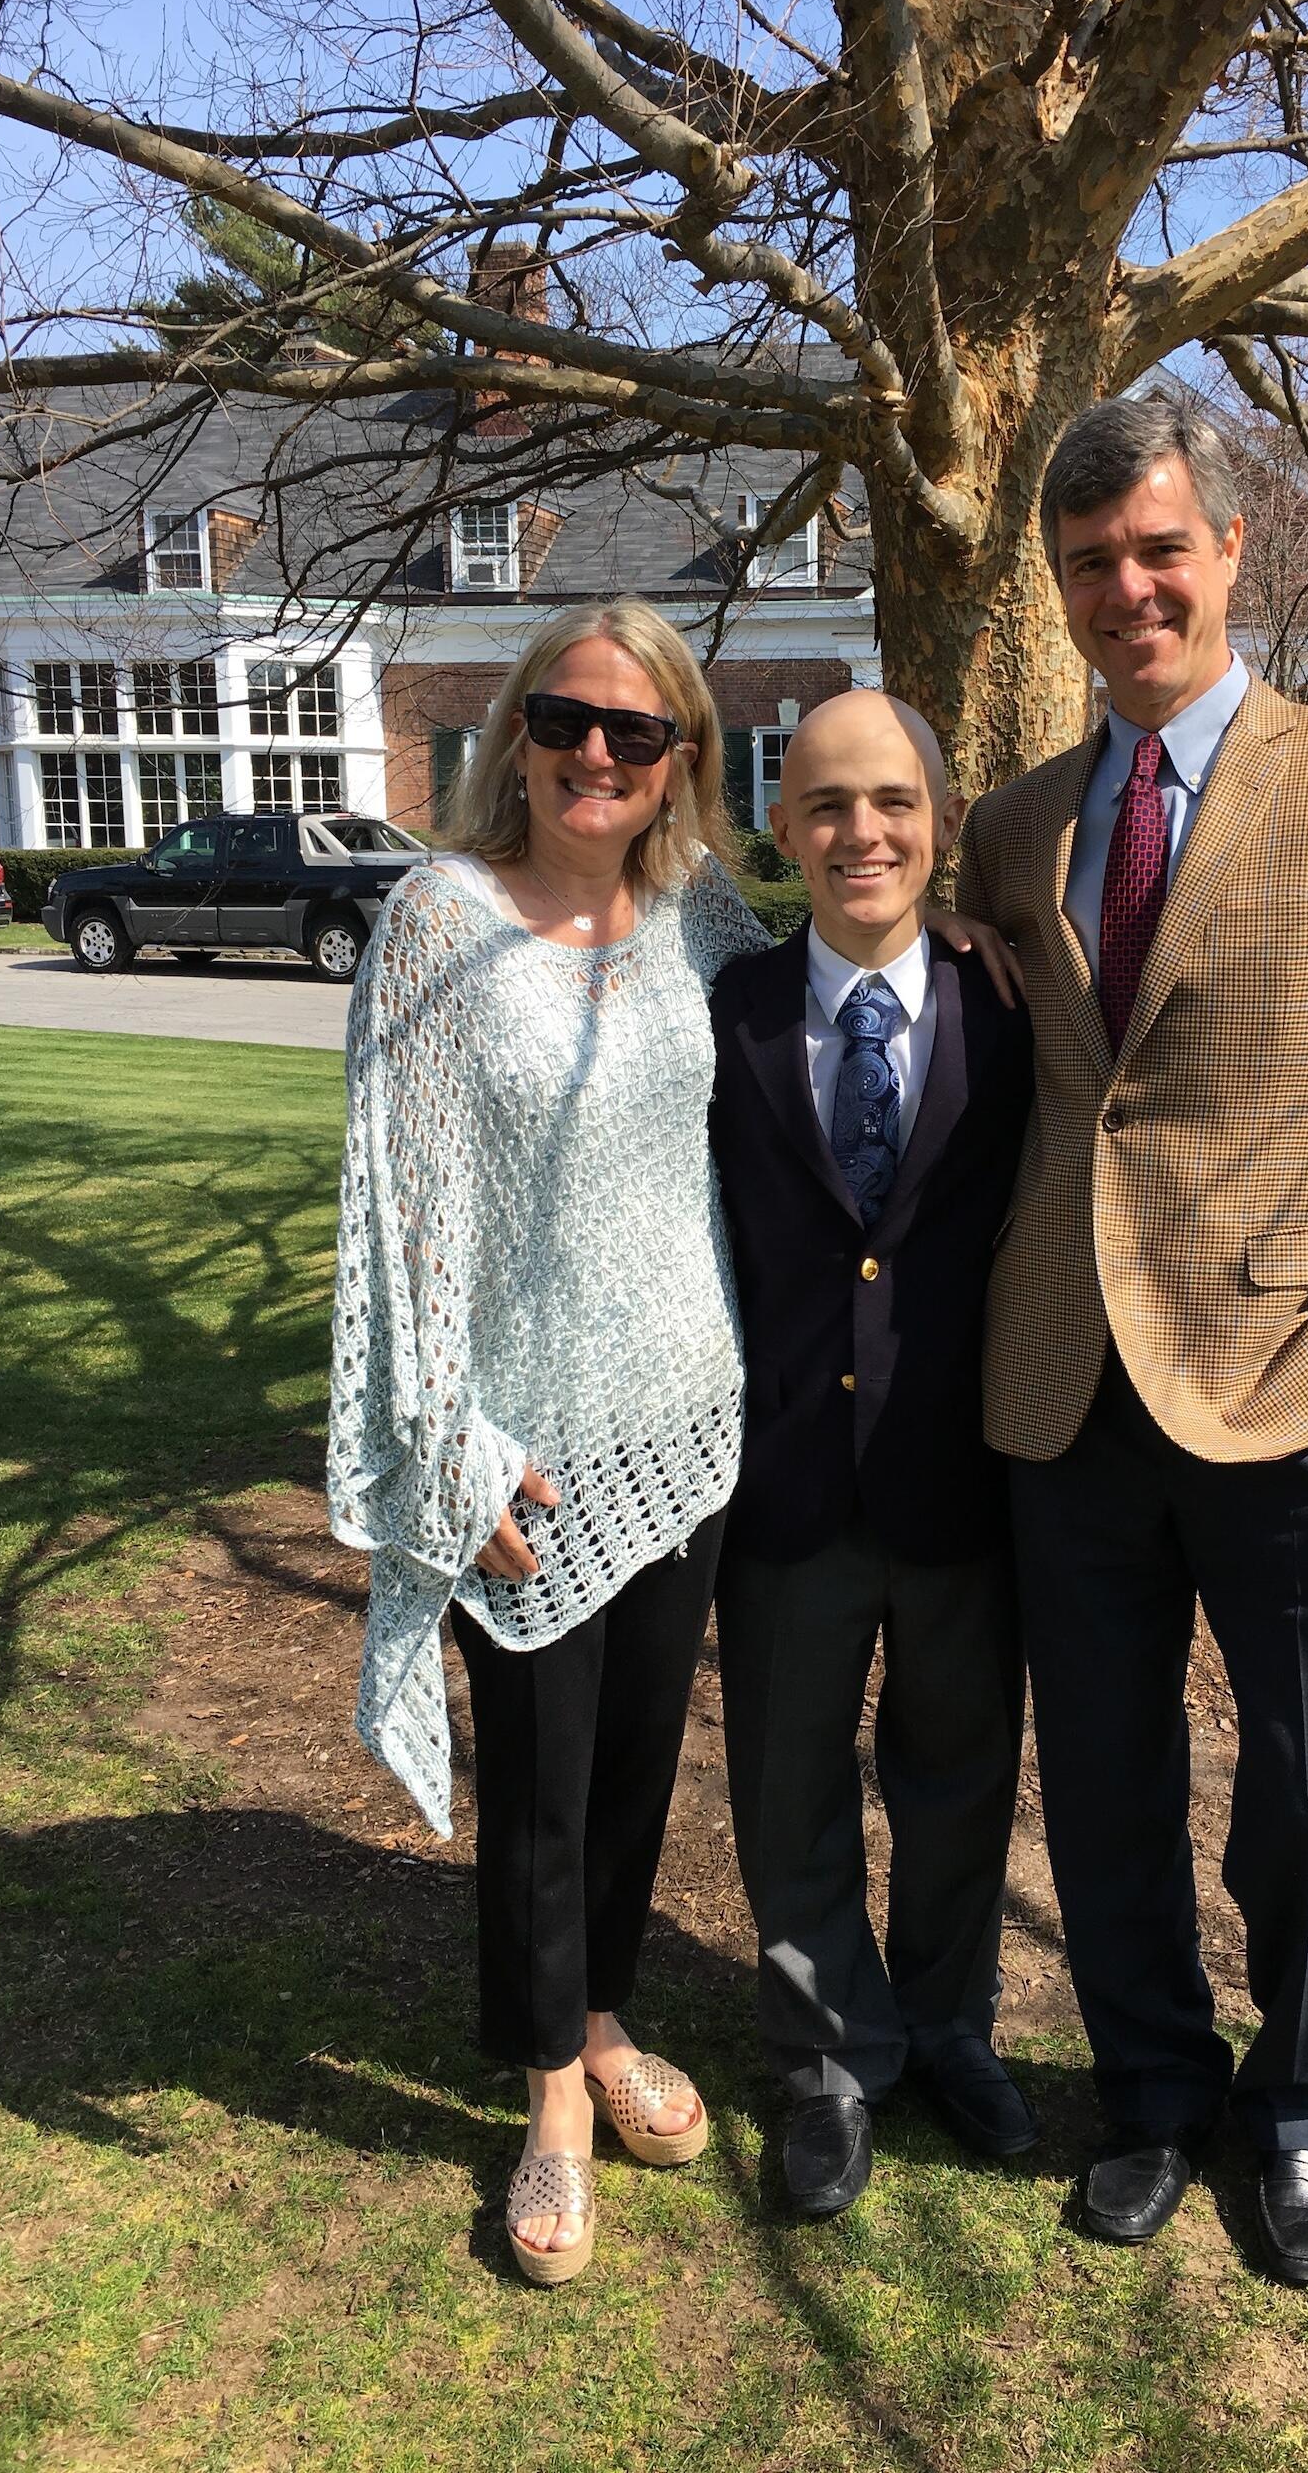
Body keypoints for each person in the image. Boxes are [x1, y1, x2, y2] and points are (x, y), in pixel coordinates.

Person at [956, 392, 1308, 2283]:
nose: (1130, 591)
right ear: (1059, 584)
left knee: (1306, 1793)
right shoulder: (1018, 824)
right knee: (1102, 1773)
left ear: (1228, 552)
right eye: (1093, 564)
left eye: (1159, 550)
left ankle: (1299, 2114)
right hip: (1067, 1382)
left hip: (1300, 1386)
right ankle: (1158, 2092)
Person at [328, 600, 764, 2284]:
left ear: (679, 765)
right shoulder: (439, 921)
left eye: (639, 732)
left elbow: (816, 1017)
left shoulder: (700, 915)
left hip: (688, 1417)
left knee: (642, 1755)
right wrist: (447, 1443)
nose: (599, 752)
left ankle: (600, 2020)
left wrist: (974, 949)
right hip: (521, 1452)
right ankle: (551, 2108)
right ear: (517, 731)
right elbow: (404, 1207)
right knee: (540, 1784)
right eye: (570, 719)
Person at [708, 691, 1036, 2220]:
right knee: (789, 1790)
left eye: (895, 801)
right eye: (829, 804)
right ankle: (831, 2058)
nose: (864, 833)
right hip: (783, 1484)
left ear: (941, 819)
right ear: (785, 826)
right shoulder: (730, 1013)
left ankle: (950, 2026)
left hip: (965, 1478)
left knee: (960, 1779)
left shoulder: (1015, 1007)